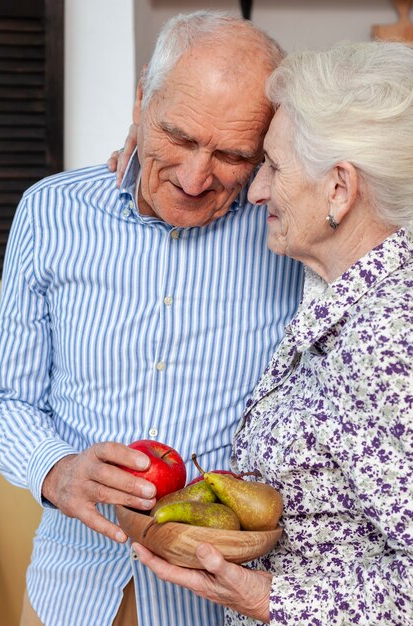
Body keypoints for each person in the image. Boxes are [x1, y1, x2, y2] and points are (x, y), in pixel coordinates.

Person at [0, 11, 304, 626]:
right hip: (70, 591)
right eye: (181, 137)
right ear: (142, 98)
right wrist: (55, 471)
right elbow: (7, 397)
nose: (195, 178)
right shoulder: (50, 212)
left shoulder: (293, 231)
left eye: (232, 154)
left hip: (221, 605)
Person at [131, 40, 413, 626]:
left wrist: (266, 599)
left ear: (340, 187)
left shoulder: (391, 337)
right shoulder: (334, 286)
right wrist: (150, 142)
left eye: (276, 168)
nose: (256, 191)